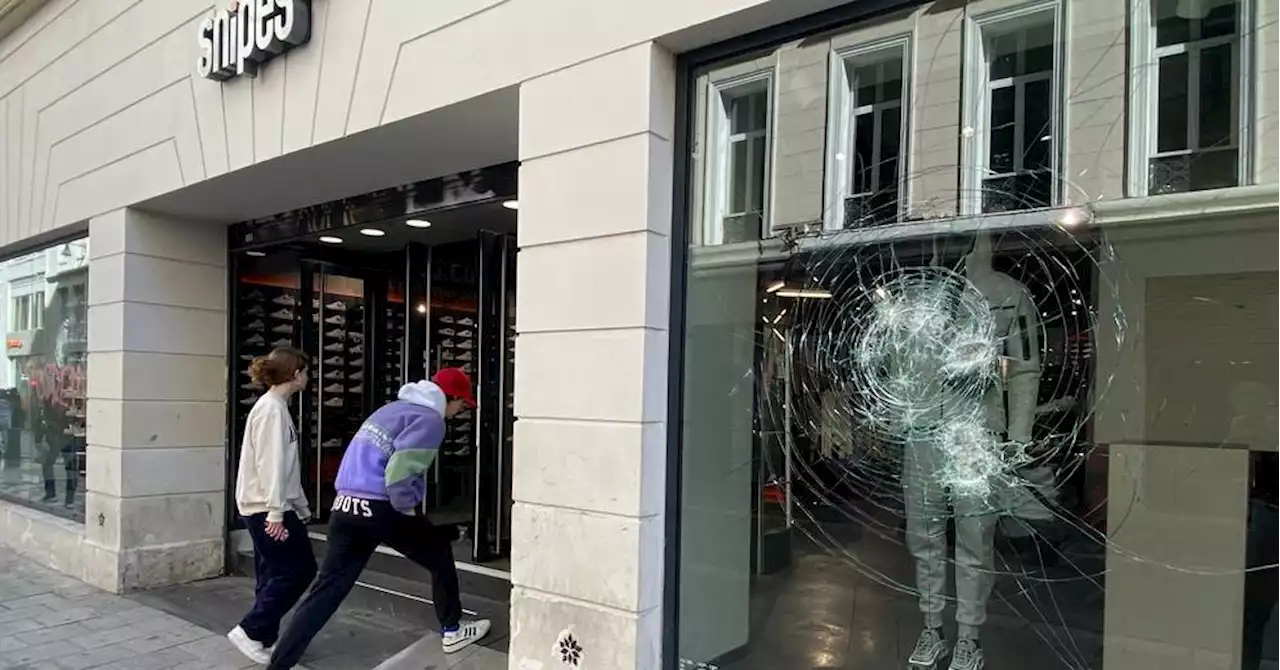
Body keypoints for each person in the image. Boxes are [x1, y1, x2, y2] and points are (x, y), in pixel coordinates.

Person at [268, 367, 491, 669]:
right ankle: (452, 629)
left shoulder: (391, 410)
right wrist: (409, 508)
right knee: (439, 552)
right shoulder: (431, 421)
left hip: (346, 504)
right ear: (448, 398)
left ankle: (280, 663)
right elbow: (400, 475)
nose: (458, 413)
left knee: (326, 591)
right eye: (461, 405)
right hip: (380, 506)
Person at [227, 347, 316, 665]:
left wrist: (300, 507)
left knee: (273, 572)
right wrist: (278, 512)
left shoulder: (275, 407)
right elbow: (271, 466)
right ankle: (251, 630)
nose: (308, 377)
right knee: (298, 570)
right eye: (306, 371)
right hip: (267, 508)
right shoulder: (272, 410)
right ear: (295, 374)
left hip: (267, 506)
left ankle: (262, 636)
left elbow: (283, 468)